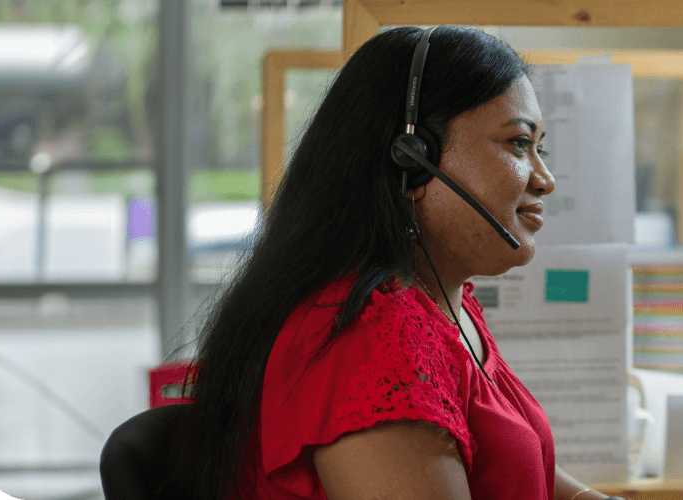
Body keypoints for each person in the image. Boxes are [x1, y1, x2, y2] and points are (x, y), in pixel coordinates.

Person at [164, 25, 618, 500]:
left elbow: (508, 464)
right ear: (412, 160)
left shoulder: (442, 304)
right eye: (519, 144)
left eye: (540, 147)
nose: (545, 179)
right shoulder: (372, 335)